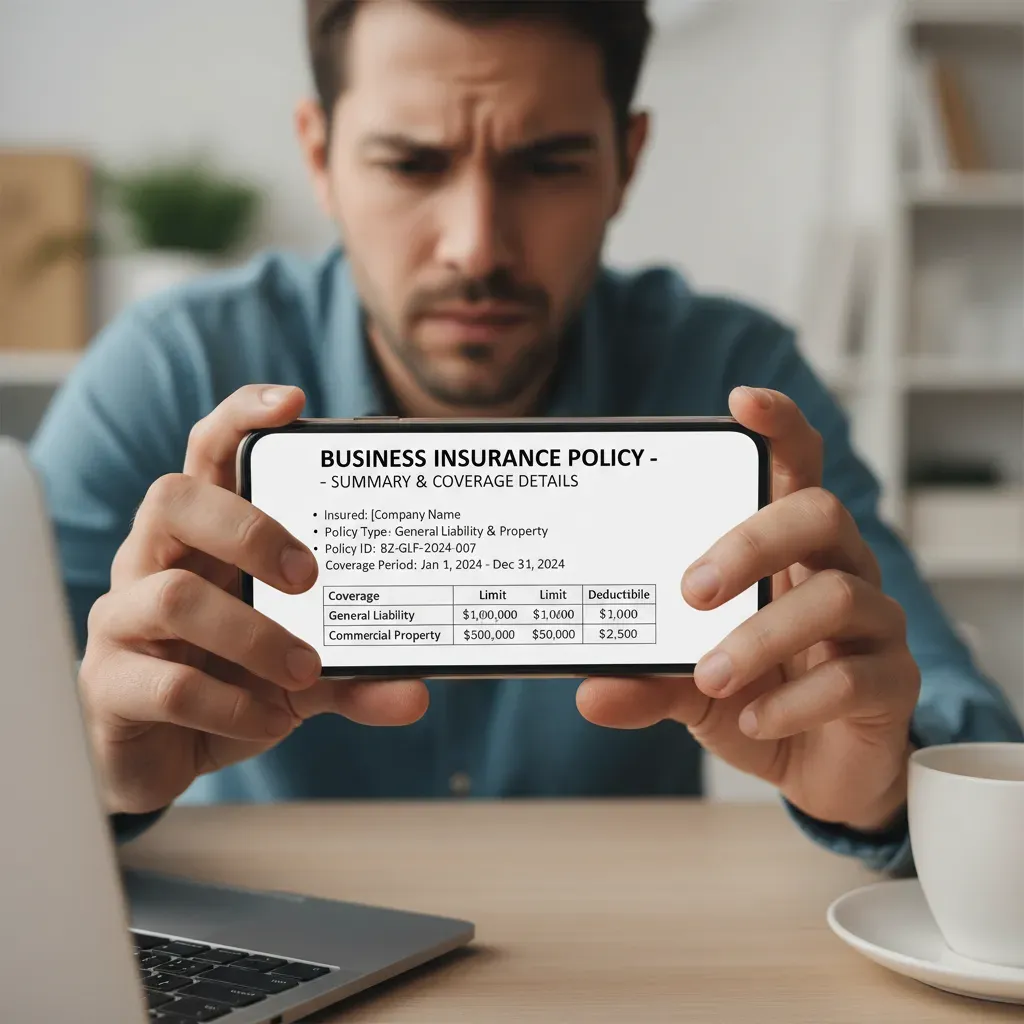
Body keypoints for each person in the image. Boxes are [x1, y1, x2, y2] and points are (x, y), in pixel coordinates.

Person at [30, 0, 1021, 873]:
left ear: (625, 163)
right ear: (319, 156)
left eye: (546, 164)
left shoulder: (740, 385)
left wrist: (885, 789)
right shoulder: (166, 369)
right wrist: (87, 768)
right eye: (410, 162)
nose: (477, 245)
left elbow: (963, 732)